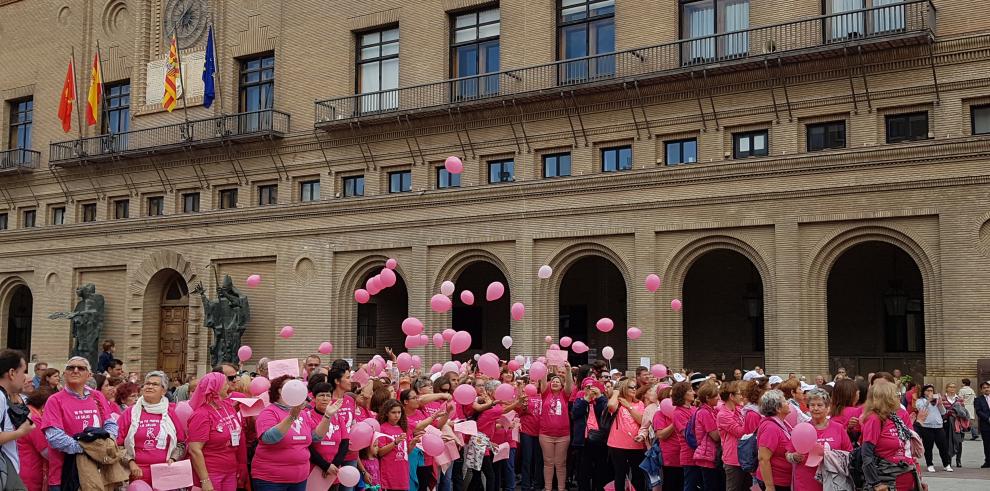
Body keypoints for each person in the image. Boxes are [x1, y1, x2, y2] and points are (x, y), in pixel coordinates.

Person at [41, 356, 118, 491]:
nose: (75, 370)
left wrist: (107, 442)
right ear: (64, 374)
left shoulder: (97, 396)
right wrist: (91, 448)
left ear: (89, 375)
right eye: (71, 368)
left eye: (81, 368)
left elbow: (110, 423)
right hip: (64, 475)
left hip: (97, 471)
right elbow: (54, 437)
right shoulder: (55, 400)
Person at [252, 375, 334, 491]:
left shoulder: (303, 413)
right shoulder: (269, 412)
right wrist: (292, 417)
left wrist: (327, 416)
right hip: (271, 480)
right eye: (289, 386)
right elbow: (268, 438)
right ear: (279, 390)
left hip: (299, 479)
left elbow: (316, 437)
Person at [116, 371, 186, 486]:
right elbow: (116, 444)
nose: (149, 386)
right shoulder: (130, 413)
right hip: (137, 473)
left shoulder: (170, 413)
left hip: (165, 473)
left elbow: (181, 443)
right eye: (147, 383)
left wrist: (173, 459)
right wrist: (130, 462)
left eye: (155, 384)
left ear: (163, 391)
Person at [187, 371, 247, 491]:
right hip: (211, 472)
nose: (228, 386)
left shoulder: (228, 406)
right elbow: (194, 450)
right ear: (216, 388)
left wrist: (241, 464)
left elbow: (239, 435)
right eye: (225, 383)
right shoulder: (201, 414)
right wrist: (205, 480)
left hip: (230, 470)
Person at [861, 382, 920, 490]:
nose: (899, 396)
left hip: (905, 476)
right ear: (886, 398)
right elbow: (866, 454)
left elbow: (906, 449)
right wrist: (876, 484)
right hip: (886, 480)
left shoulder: (894, 417)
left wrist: (918, 480)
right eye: (895, 394)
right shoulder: (874, 419)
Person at [792, 389, 852, 491]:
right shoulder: (801, 428)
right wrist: (794, 457)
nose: (815, 408)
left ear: (828, 408)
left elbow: (849, 454)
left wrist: (830, 455)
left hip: (833, 482)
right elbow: (788, 454)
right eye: (812, 405)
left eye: (820, 405)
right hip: (806, 483)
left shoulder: (838, 428)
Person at [606, 378, 645, 491]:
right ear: (624, 388)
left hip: (636, 444)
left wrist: (629, 406)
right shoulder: (617, 401)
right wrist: (617, 392)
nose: (634, 389)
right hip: (617, 444)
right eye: (631, 387)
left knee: (638, 475)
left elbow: (641, 420)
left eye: (635, 387)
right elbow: (610, 406)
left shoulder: (640, 403)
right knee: (620, 474)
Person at [538, 364, 572, 491]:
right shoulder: (545, 393)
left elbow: (569, 385)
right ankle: (548, 488)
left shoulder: (565, 395)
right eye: (553, 381)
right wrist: (544, 369)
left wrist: (568, 370)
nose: (555, 383)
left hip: (563, 435)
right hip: (546, 434)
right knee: (548, 463)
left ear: (561, 385)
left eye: (558, 381)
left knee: (561, 463)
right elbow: (542, 382)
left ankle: (561, 488)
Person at [0, 349, 33, 476]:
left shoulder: (4, 396)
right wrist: (21, 432)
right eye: (23, 371)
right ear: (12, 373)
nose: (25, 377)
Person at [305, 382, 346, 483]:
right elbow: (307, 444)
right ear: (314, 398)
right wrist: (325, 465)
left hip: (333, 471)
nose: (325, 398)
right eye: (321, 395)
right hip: (313, 470)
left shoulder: (338, 417)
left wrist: (334, 465)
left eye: (328, 395)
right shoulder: (307, 416)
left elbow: (345, 442)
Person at [756, 390, 796, 491]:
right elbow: (763, 459)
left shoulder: (782, 423)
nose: (788, 403)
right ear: (778, 408)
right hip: (776, 482)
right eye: (785, 401)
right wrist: (769, 487)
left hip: (783, 479)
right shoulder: (770, 427)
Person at [376, 399, 417, 491]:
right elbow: (380, 452)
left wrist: (413, 443)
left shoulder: (403, 428)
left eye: (399, 412)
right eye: (393, 412)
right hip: (389, 473)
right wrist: (395, 442)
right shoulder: (382, 428)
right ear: (386, 413)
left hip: (402, 472)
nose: (397, 415)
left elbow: (407, 452)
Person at [19, 388, 51, 491]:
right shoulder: (34, 419)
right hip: (31, 470)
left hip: (24, 466)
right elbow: (45, 451)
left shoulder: (26, 412)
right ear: (44, 405)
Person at [717, 381, 747, 491]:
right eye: (739, 394)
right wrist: (751, 421)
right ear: (731, 396)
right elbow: (739, 432)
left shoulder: (739, 410)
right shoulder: (723, 414)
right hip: (733, 459)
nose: (742, 397)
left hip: (744, 457)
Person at [915, 384, 952, 472]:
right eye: (928, 390)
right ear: (924, 392)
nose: (930, 392)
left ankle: (946, 464)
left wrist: (940, 404)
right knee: (928, 447)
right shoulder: (920, 401)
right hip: (926, 426)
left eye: (931, 391)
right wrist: (928, 401)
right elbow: (921, 410)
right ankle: (930, 464)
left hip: (938, 426)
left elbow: (943, 412)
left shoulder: (936, 401)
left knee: (943, 446)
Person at [692, 382, 721, 491]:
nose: (718, 398)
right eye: (716, 395)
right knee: (711, 486)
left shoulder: (711, 410)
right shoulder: (704, 413)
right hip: (708, 456)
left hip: (709, 454)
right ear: (708, 398)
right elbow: (715, 436)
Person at [670, 381, 699, 491]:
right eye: (690, 390)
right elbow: (686, 434)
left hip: (699, 453)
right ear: (683, 394)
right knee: (690, 486)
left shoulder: (693, 409)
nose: (693, 393)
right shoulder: (678, 413)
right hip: (689, 454)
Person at [519, 376, 544, 491]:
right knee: (527, 460)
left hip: (541, 432)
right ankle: (525, 486)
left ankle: (538, 485)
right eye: (531, 381)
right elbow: (519, 412)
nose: (533, 383)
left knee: (539, 460)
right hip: (527, 432)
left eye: (536, 381)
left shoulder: (543, 396)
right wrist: (522, 406)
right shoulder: (524, 397)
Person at [940, 382, 966, 468]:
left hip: (957, 422)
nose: (952, 389)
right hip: (946, 422)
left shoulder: (959, 399)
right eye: (950, 387)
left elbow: (963, 411)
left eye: (954, 387)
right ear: (946, 388)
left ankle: (958, 460)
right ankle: (949, 460)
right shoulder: (942, 398)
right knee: (947, 441)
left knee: (959, 441)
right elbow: (941, 410)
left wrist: (957, 412)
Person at [974, 381, 990, 468]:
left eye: (988, 387)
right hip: (985, 425)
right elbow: (978, 411)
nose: (986, 389)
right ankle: (988, 461)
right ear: (981, 390)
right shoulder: (978, 400)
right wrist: (988, 418)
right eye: (984, 388)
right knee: (987, 444)